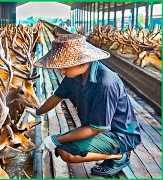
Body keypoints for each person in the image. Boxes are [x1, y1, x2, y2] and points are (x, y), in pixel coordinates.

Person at [26, 34, 141, 177]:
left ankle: (119, 157)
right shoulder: (73, 76)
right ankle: (107, 153)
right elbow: (57, 97)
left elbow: (95, 128)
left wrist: (54, 139)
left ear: (83, 63)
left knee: (65, 152)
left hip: (119, 134)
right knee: (61, 145)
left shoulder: (106, 83)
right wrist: (37, 112)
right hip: (96, 127)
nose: (62, 71)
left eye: (65, 66)